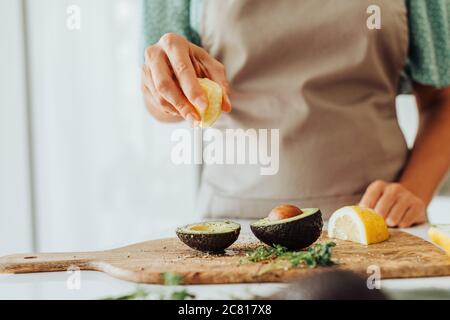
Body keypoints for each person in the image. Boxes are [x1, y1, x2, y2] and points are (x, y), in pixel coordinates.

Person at [141, 0, 450, 227]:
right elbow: (163, 102)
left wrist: (412, 192)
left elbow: (443, 101)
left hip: (372, 226)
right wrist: (166, 87)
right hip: (232, 229)